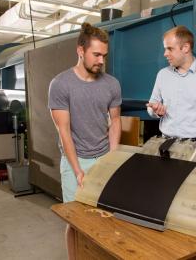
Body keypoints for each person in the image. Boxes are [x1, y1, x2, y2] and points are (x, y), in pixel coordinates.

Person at [48, 22, 121, 260]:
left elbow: (116, 121)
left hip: (103, 157)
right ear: (80, 51)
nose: (101, 60)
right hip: (75, 160)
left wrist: (111, 159)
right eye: (96, 54)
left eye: (104, 55)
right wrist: (78, 170)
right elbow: (64, 130)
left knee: (105, 218)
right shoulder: (60, 84)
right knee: (76, 221)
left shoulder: (111, 84)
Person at [147, 26, 196, 157]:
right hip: (166, 144)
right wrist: (155, 111)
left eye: (169, 49)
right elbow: (151, 105)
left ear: (185, 47)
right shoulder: (163, 74)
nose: (165, 54)